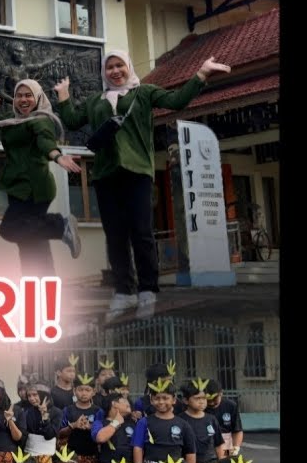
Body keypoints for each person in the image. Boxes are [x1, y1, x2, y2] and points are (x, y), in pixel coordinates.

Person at [54, 51, 232, 320]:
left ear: (128, 66)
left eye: (119, 65)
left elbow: (177, 101)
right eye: (109, 67)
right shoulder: (95, 101)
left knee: (142, 232)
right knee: (115, 236)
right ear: (104, 72)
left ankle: (148, 290)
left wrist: (201, 74)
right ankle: (123, 292)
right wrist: (63, 94)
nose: (115, 71)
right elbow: (72, 121)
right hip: (105, 174)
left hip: (138, 171)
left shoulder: (144, 92)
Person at [0, 76, 83, 275]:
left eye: (28, 96)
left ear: (38, 98)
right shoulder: (12, 121)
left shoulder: (40, 120)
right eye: (19, 96)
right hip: (18, 187)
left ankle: (61, 225)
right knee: (31, 242)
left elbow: (45, 142)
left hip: (34, 187)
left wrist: (57, 156)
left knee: (9, 229)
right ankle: (41, 289)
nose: (23, 100)